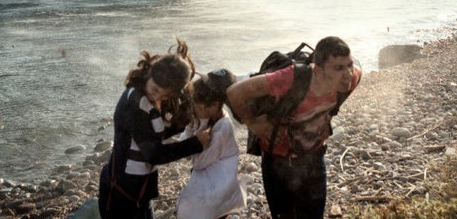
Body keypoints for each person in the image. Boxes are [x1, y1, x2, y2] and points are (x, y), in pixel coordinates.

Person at [227, 36, 362, 219]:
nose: (347, 73)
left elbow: (355, 77)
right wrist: (254, 124)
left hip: (313, 158)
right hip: (278, 163)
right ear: (319, 70)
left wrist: (328, 115)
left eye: (349, 64)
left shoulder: (352, 77)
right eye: (338, 68)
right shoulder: (291, 78)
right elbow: (235, 92)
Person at [98, 38, 211, 219]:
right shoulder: (135, 104)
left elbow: (154, 133)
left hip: (140, 191)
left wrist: (185, 124)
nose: (155, 94)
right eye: (154, 88)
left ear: (172, 93)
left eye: (162, 93)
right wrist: (196, 143)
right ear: (150, 73)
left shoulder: (155, 101)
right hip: (120, 192)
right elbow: (154, 154)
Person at [176, 69, 247, 219]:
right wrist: (192, 127)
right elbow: (185, 141)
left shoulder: (222, 129)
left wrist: (200, 125)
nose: (194, 109)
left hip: (218, 190)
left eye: (197, 106)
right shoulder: (210, 118)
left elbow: (197, 162)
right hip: (212, 182)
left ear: (213, 105)